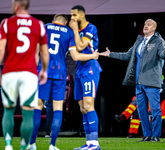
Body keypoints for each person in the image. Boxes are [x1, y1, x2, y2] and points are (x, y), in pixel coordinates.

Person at [27, 14, 99, 150]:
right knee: (58, 109)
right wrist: (93, 55)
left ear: (54, 19)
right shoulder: (69, 32)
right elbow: (76, 56)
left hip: (43, 71)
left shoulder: (44, 27)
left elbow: (35, 52)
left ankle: (32, 144)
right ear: (65, 22)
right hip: (60, 73)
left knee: (38, 106)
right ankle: (52, 145)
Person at [100, 19, 165, 142]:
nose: (146, 26)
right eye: (145, 24)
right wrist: (110, 54)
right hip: (139, 83)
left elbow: (162, 53)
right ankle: (147, 135)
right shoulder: (139, 40)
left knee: (155, 110)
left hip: (151, 81)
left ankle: (155, 136)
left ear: (154, 28)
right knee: (141, 111)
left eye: (149, 25)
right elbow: (127, 55)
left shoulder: (158, 40)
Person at [0, 0, 49, 150]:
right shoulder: (39, 24)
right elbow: (43, 53)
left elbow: (1, 50)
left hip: (10, 72)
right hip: (29, 73)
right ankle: (23, 146)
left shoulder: (6, 23)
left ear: (16, 6)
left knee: (8, 110)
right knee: (28, 113)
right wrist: (44, 70)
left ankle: (8, 145)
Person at [69, 5, 102, 150]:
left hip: (90, 69)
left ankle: (95, 144)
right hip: (79, 70)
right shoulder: (74, 31)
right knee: (82, 107)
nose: (72, 19)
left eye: (74, 15)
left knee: (89, 105)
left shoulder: (91, 28)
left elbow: (81, 46)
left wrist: (75, 30)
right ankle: (89, 143)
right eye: (71, 16)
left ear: (82, 15)